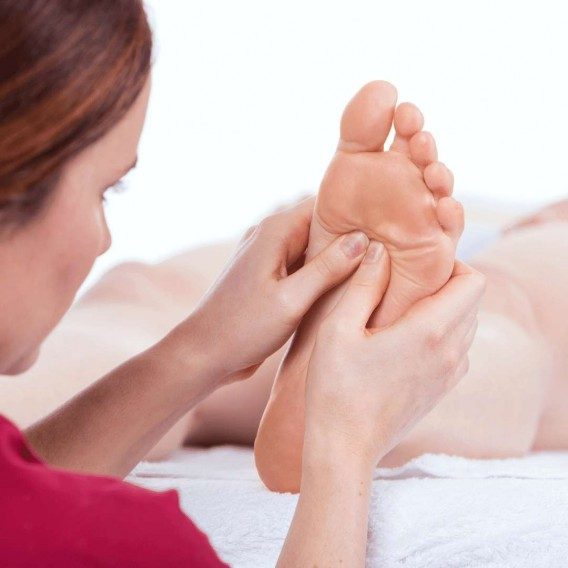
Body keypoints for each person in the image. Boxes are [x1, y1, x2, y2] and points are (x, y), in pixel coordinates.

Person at [0, 1, 483, 565]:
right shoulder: (121, 540)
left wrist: (202, 348)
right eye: (106, 189)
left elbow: (18, 497)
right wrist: (343, 450)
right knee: (526, 301)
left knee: (136, 297)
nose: (103, 239)